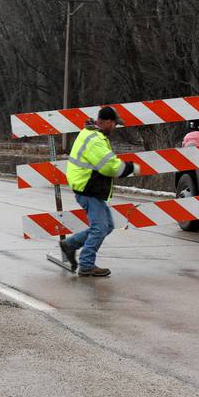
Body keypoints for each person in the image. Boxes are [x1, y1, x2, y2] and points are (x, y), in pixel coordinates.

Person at [59, 106, 139, 276]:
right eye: (115, 124)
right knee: (100, 228)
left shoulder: (90, 133)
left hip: (88, 186)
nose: (115, 127)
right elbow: (110, 167)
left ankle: (71, 244)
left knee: (107, 226)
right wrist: (133, 168)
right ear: (108, 122)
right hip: (88, 188)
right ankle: (86, 264)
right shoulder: (95, 140)